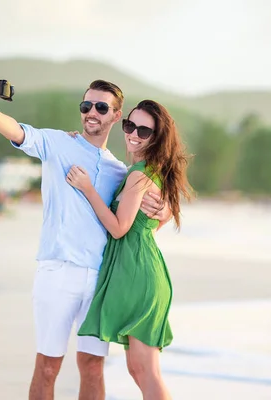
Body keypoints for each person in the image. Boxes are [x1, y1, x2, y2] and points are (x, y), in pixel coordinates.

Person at [0, 78, 172, 400]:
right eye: (86, 105)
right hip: (58, 271)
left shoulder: (121, 171)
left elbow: (145, 214)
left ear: (115, 115)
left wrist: (165, 213)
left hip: (102, 279)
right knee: (48, 366)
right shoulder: (56, 143)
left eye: (101, 107)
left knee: (93, 365)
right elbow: (17, 131)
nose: (91, 112)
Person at [66, 99, 194, 400]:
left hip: (138, 276)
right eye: (129, 125)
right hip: (141, 271)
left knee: (144, 370)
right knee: (140, 369)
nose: (133, 134)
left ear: (157, 137)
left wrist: (87, 189)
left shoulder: (139, 173)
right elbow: (149, 225)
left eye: (144, 130)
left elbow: (119, 228)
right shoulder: (145, 170)